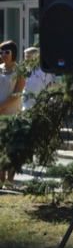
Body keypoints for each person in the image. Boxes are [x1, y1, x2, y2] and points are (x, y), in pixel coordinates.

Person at [0, 40, 26, 187]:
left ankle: (10, 181)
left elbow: (17, 93)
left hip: (13, 115)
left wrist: (2, 107)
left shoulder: (19, 71)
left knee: (12, 149)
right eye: (1, 52)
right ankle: (1, 180)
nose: (3, 55)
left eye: (6, 52)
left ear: (13, 53)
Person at [21, 47, 56, 111]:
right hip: (26, 108)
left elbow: (50, 88)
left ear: (36, 56)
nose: (26, 59)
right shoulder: (25, 70)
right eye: (25, 57)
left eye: (28, 56)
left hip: (40, 107)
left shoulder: (44, 71)